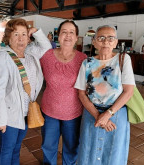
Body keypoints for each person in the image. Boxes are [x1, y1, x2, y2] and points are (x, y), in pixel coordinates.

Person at [0, 18, 51, 165]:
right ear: (8, 37)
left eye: (24, 34)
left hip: (25, 112)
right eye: (16, 34)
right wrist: (0, 120)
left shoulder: (30, 54)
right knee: (6, 149)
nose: (20, 38)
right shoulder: (3, 57)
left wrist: (36, 31)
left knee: (17, 148)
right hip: (10, 115)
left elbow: (47, 48)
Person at [74, 25, 135, 165]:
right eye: (101, 38)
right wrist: (98, 116)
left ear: (116, 42)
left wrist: (107, 114)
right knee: (88, 152)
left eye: (110, 38)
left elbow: (128, 91)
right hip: (91, 113)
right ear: (94, 42)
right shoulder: (87, 63)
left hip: (116, 114)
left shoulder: (123, 59)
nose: (106, 42)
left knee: (113, 153)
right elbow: (81, 93)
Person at [40, 20, 87, 165]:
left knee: (72, 147)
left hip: (73, 113)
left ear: (76, 36)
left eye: (71, 32)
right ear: (58, 36)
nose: (67, 36)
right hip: (49, 111)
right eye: (64, 32)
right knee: (48, 146)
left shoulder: (83, 59)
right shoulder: (46, 56)